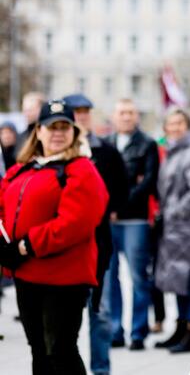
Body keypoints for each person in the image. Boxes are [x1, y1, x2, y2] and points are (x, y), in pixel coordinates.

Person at [0, 99, 108, 374]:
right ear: (38, 131)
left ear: (74, 132)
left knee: (60, 351)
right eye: (51, 127)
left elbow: (75, 222)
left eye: (64, 127)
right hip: (27, 275)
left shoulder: (81, 169)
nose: (57, 132)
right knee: (38, 350)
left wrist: (25, 245)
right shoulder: (22, 168)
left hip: (63, 278)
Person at [64, 93, 129, 375]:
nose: (81, 116)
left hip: (98, 245)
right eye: (75, 111)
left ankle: (101, 370)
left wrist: (110, 208)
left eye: (85, 111)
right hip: (65, 249)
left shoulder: (105, 150)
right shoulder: (56, 154)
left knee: (100, 313)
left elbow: (121, 187)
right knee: (64, 318)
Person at [105, 98, 160, 350]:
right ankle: (115, 330)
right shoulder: (105, 144)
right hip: (109, 221)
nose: (126, 117)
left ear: (136, 116)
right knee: (109, 277)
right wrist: (109, 208)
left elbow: (147, 182)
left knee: (139, 277)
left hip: (135, 220)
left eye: (130, 112)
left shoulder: (147, 144)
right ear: (114, 117)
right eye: (121, 112)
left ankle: (138, 332)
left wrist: (118, 206)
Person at [153, 108, 190, 353]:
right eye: (170, 123)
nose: (174, 127)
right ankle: (179, 329)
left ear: (187, 126)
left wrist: (174, 212)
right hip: (173, 227)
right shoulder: (173, 152)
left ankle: (189, 333)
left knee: (189, 278)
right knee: (177, 278)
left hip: (186, 227)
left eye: (179, 123)